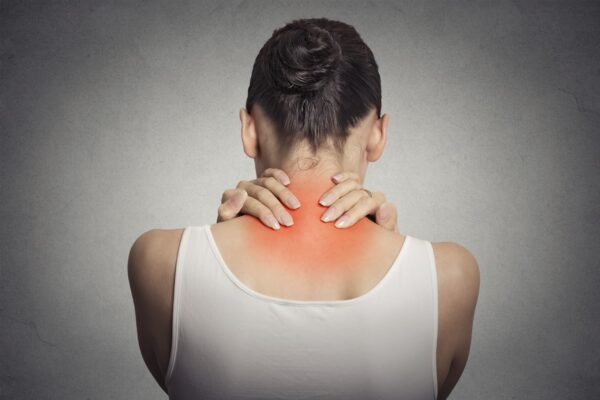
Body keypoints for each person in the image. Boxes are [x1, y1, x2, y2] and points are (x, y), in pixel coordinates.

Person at [128, 18, 479, 400]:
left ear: (249, 130)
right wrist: (403, 260)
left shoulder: (158, 262)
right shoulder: (451, 278)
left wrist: (205, 255)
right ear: (378, 135)